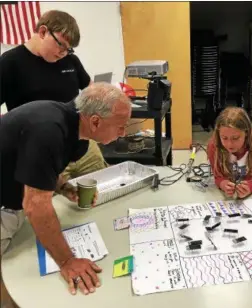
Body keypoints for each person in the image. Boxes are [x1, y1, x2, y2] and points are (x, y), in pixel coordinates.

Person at [0, 83, 132, 299]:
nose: (123, 133)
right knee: (12, 284)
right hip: (5, 206)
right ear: (95, 121)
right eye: (120, 126)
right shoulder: (48, 130)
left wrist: (63, 187)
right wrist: (67, 261)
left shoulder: (75, 131)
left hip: (14, 197)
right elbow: (35, 206)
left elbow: (41, 167)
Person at [0, 9, 108, 181]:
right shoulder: (10, 63)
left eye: (69, 49)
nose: (63, 53)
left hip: (84, 148)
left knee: (101, 193)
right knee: (53, 205)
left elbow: (91, 91)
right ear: (43, 32)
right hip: (44, 155)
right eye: (61, 45)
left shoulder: (70, 61)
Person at [207, 107, 252, 198]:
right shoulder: (213, 146)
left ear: (246, 132)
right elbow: (218, 176)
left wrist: (250, 186)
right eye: (224, 138)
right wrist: (223, 184)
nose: (229, 144)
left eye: (235, 138)